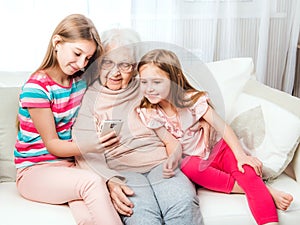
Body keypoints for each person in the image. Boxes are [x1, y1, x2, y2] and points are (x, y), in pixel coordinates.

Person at [136, 49, 294, 225]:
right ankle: (263, 190)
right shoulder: (150, 113)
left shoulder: (192, 100)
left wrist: (241, 156)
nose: (149, 88)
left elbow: (223, 128)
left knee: (246, 171)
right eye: (144, 82)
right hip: (196, 161)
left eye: (157, 82)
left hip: (219, 150)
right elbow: (171, 143)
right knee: (188, 166)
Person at [72, 28, 203, 225]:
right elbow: (83, 149)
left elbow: (183, 109)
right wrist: (108, 180)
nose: (115, 72)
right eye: (108, 62)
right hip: (121, 170)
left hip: (161, 162)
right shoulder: (90, 97)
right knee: (140, 213)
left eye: (124, 64)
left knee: (182, 203)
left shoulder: (147, 86)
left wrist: (204, 123)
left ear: (134, 66)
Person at [14, 14, 123, 225]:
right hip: (34, 172)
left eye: (88, 58)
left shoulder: (79, 82)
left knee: (88, 218)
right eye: (77, 53)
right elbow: (54, 146)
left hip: (69, 169)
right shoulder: (37, 88)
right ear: (57, 43)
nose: (81, 63)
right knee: (92, 183)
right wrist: (94, 144)